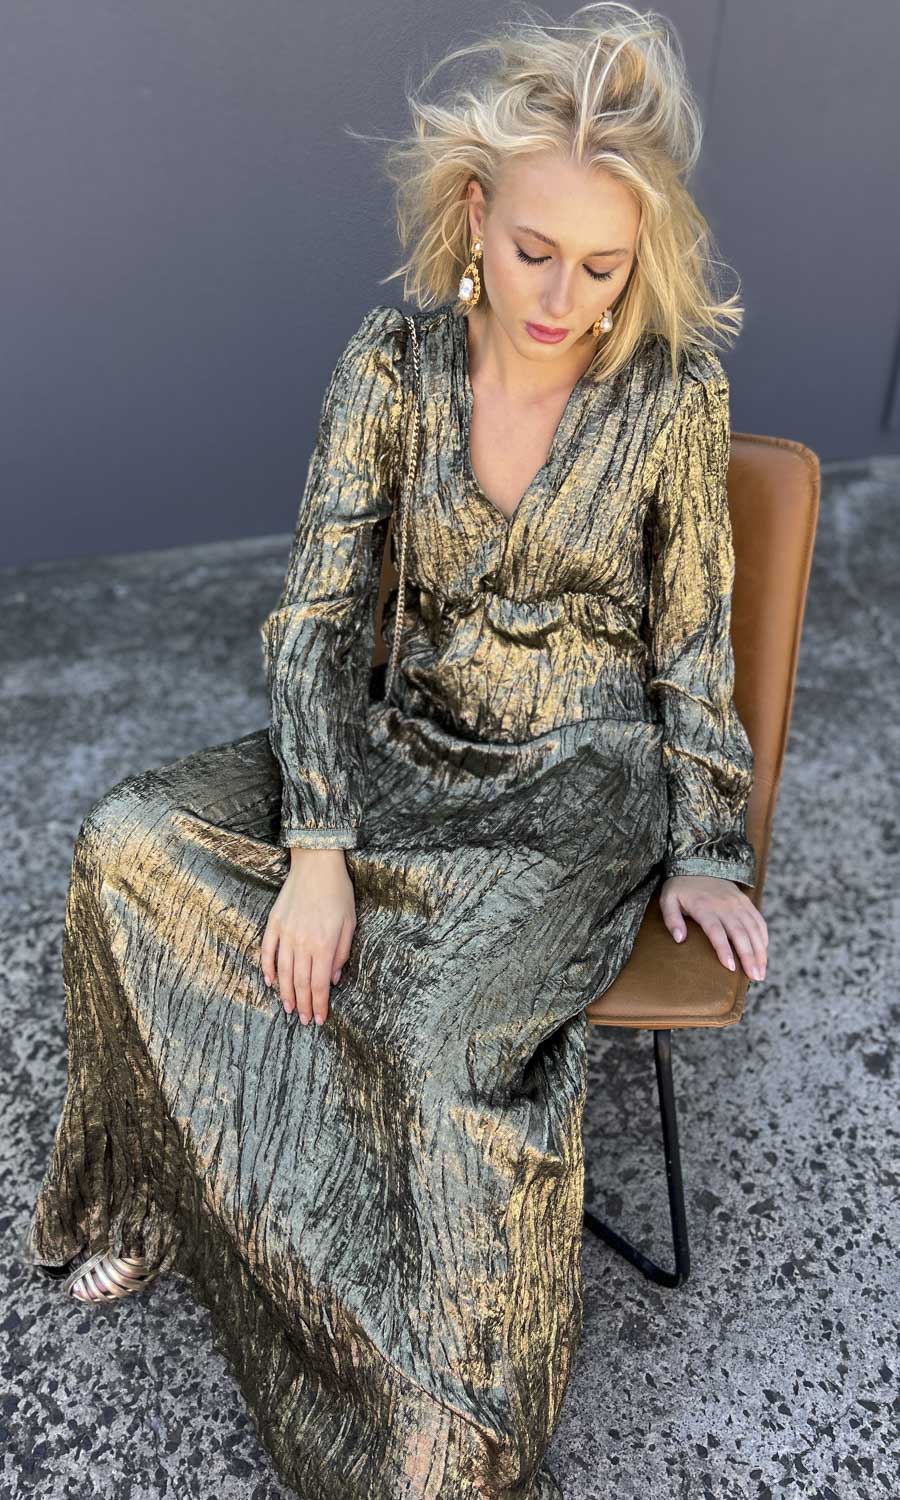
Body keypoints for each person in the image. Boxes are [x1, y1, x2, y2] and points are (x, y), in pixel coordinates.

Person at [22, 4, 768, 1497]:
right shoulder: (391, 362)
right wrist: (317, 845)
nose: (564, 297)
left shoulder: (674, 394)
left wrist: (705, 843)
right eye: (536, 250)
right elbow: (314, 621)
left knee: (431, 1024)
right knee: (126, 842)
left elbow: (692, 640)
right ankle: (174, 1194)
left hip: (581, 785)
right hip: (405, 742)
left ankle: (427, 1428)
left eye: (604, 266)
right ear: (475, 215)